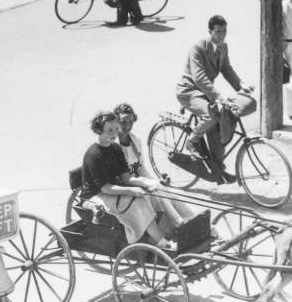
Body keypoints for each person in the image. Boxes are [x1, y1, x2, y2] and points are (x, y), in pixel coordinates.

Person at [176, 14, 256, 181]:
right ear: (210, 31)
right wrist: (218, 96)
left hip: (206, 92)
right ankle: (192, 141)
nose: (222, 35)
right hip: (189, 91)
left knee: (218, 131)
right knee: (211, 114)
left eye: (224, 31)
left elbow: (226, 68)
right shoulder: (197, 48)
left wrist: (241, 85)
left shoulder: (223, 46)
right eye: (218, 32)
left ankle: (217, 169)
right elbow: (199, 77)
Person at [81, 112, 177, 249]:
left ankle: (156, 234)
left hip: (112, 189)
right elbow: (105, 188)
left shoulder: (115, 148)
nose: (114, 133)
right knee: (137, 202)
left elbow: (126, 177)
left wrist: (145, 183)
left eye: (116, 129)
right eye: (109, 130)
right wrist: (132, 191)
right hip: (96, 195)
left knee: (151, 197)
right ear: (98, 130)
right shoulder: (94, 154)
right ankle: (161, 242)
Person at [114, 102, 193, 222]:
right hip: (124, 184)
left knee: (166, 192)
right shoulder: (113, 144)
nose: (127, 126)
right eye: (123, 122)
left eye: (130, 122)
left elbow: (140, 167)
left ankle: (192, 218)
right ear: (116, 121)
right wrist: (149, 184)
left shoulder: (135, 139)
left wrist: (153, 182)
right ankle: (178, 222)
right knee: (158, 194)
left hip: (138, 180)